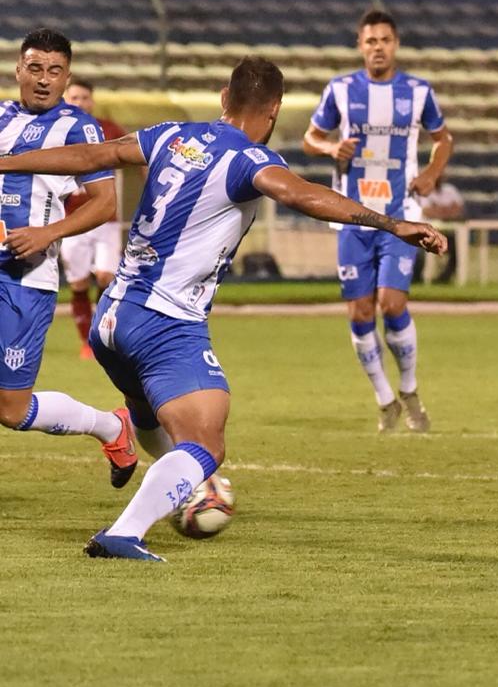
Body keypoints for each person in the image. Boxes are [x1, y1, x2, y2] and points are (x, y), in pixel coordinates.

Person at [0, 56, 447, 561]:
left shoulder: (172, 134)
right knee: (207, 445)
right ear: (273, 110)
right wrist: (392, 224)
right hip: (165, 322)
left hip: (112, 317)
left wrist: (5, 161)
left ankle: (187, 484)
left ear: (223, 98)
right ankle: (127, 531)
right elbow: (302, 194)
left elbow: (90, 156)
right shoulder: (249, 159)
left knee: (155, 421)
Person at [303, 10, 454, 433]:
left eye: (385, 40)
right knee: (360, 312)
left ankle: (409, 388)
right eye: (371, 41)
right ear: (360, 46)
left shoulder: (418, 92)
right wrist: (330, 149)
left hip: (401, 215)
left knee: (392, 303)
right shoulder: (340, 89)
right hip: (352, 215)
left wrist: (431, 174)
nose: (378, 48)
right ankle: (385, 398)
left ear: (396, 44)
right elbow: (311, 138)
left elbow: (443, 139)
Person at [0, 28, 136, 488]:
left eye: (54, 71)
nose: (44, 79)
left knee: (11, 409)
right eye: (35, 68)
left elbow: (105, 203)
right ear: (18, 70)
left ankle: (111, 428)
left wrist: (48, 233)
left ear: (67, 78)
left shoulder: (80, 127)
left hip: (24, 278)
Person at [61, 77, 127, 359]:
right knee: (78, 283)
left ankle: (100, 337)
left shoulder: (108, 129)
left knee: (106, 277)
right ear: (65, 99)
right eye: (74, 97)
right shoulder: (55, 130)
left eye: (84, 97)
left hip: (105, 219)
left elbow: (136, 155)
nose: (80, 102)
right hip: (71, 220)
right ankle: (86, 341)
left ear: (92, 101)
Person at [413, 175, 464, 284]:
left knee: (457, 248)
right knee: (421, 250)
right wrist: (447, 210)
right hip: (426, 232)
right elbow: (427, 211)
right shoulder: (424, 191)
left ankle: (444, 278)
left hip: (447, 231)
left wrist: (438, 210)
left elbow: (458, 209)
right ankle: (418, 277)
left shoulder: (450, 190)